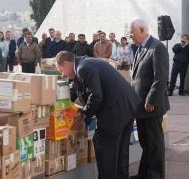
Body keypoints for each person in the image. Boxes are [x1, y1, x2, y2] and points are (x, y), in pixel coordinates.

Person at [56, 51, 140, 179]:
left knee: (104, 146)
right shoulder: (85, 63)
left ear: (66, 64)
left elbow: (95, 96)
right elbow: (78, 90)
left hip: (115, 110)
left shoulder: (83, 68)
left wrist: (84, 114)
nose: (62, 74)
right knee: (120, 150)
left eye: (61, 70)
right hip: (126, 108)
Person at [130, 18, 169, 179]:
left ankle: (155, 175)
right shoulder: (141, 47)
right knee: (146, 143)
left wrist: (151, 99)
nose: (130, 36)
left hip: (151, 105)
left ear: (142, 30)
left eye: (133, 33)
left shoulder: (157, 47)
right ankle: (144, 174)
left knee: (155, 144)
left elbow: (160, 78)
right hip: (141, 106)